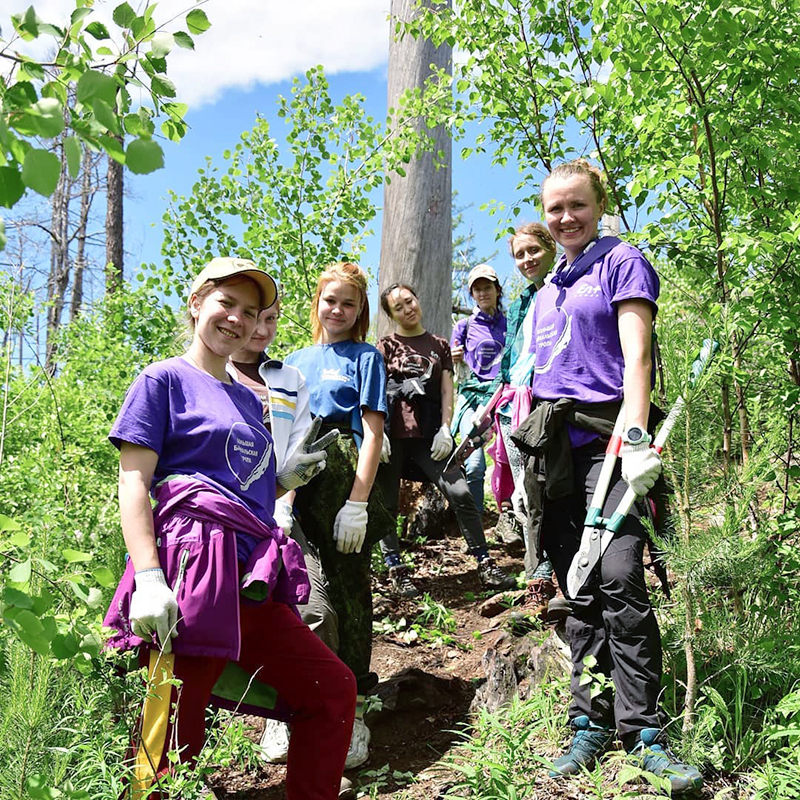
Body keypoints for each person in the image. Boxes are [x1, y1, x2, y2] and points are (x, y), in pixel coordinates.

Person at [102, 257, 356, 800]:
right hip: (192, 569)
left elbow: (247, 489)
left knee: (331, 689)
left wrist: (280, 479)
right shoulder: (163, 380)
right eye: (227, 304)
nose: (238, 320)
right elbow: (133, 483)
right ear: (196, 304)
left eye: (252, 311)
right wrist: (148, 577)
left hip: (249, 575)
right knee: (172, 732)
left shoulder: (247, 398)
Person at [521, 160, 702, 793]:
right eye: (554, 209)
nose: (565, 217)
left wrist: (635, 438)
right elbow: (535, 380)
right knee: (576, 586)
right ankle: (588, 722)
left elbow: (637, 357)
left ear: (599, 204)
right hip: (553, 456)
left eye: (576, 205)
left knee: (620, 574)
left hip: (610, 443)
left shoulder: (621, 262)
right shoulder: (546, 289)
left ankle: (644, 731)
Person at [227, 299, 344, 778]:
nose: (262, 328)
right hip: (215, 527)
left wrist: (282, 506)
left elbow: (295, 449)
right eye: (256, 317)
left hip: (276, 516)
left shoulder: (289, 379)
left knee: (313, 607)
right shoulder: (209, 372)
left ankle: (299, 713)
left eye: (272, 319)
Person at [285, 262, 389, 770]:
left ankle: (355, 707)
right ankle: (294, 706)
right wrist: (280, 500)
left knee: (349, 589)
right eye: (331, 300)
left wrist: (357, 502)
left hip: (342, 476)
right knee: (300, 591)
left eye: (348, 303)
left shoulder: (366, 357)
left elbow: (370, 433)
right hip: (294, 479)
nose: (338, 310)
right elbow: (281, 429)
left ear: (360, 310)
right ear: (318, 302)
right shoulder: (292, 360)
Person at [376, 283, 517, 599]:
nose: (407, 308)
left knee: (461, 492)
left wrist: (445, 427)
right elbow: (376, 390)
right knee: (385, 504)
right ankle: (395, 569)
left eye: (409, 301)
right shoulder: (384, 346)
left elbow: (445, 391)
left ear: (418, 299)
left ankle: (484, 563)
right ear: (391, 315)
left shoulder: (439, 345)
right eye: (398, 307)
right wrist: (379, 434)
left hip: (431, 438)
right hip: (394, 438)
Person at [489, 222, 565, 623]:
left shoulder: (563, 288)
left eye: (533, 250)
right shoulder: (521, 303)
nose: (526, 260)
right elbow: (513, 359)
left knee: (547, 491)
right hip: (516, 404)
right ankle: (536, 583)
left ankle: (551, 581)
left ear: (551, 247)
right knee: (525, 496)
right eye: (519, 255)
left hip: (548, 401)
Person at [450, 263, 507, 513]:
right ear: (472, 294)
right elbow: (450, 361)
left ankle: (509, 516)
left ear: (497, 289)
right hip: (472, 400)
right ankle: (474, 522)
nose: (483, 293)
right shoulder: (463, 327)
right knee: (473, 464)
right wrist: (452, 356)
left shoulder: (510, 323)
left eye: (487, 287)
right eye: (477, 289)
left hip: (501, 400)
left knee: (507, 460)